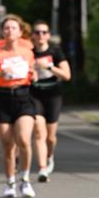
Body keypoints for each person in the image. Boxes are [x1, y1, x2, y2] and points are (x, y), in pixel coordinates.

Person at [0, 14, 37, 198]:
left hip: (23, 96)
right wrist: (0, 74)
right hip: (2, 98)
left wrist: (33, 74)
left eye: (13, 28)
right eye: (6, 28)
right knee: (7, 144)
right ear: (2, 32)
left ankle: (26, 179)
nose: (9, 31)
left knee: (23, 139)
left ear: (20, 32)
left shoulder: (27, 53)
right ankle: (10, 182)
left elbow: (31, 71)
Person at [30, 20, 71, 182]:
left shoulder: (56, 52)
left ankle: (49, 155)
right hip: (34, 94)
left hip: (53, 95)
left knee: (51, 136)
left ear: (48, 35)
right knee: (39, 131)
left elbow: (67, 75)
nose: (41, 35)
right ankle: (42, 169)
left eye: (44, 32)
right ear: (33, 35)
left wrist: (48, 67)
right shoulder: (29, 53)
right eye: (37, 32)